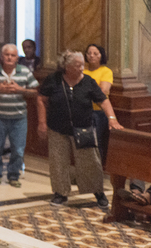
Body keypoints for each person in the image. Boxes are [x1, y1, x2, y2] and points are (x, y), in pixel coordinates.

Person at [36, 49, 121, 208]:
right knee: (58, 162)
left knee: (91, 162)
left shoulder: (88, 81)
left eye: (82, 64)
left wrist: (112, 119)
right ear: (66, 67)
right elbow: (41, 99)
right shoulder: (53, 80)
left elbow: (103, 100)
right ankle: (60, 194)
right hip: (57, 128)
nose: (81, 68)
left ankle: (98, 193)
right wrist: (42, 122)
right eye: (77, 65)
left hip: (84, 128)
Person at [0, 43, 37, 187]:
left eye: (13, 55)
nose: (9, 58)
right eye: (7, 55)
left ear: (17, 58)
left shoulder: (24, 71)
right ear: (1, 57)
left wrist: (20, 89)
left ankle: (14, 175)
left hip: (19, 117)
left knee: (18, 149)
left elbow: (35, 91)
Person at [84, 43, 114, 164]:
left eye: (95, 53)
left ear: (101, 56)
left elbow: (103, 91)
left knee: (97, 143)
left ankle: (97, 169)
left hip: (98, 112)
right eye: (89, 53)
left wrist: (84, 92)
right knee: (84, 143)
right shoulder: (83, 70)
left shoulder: (105, 71)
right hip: (83, 111)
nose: (91, 56)